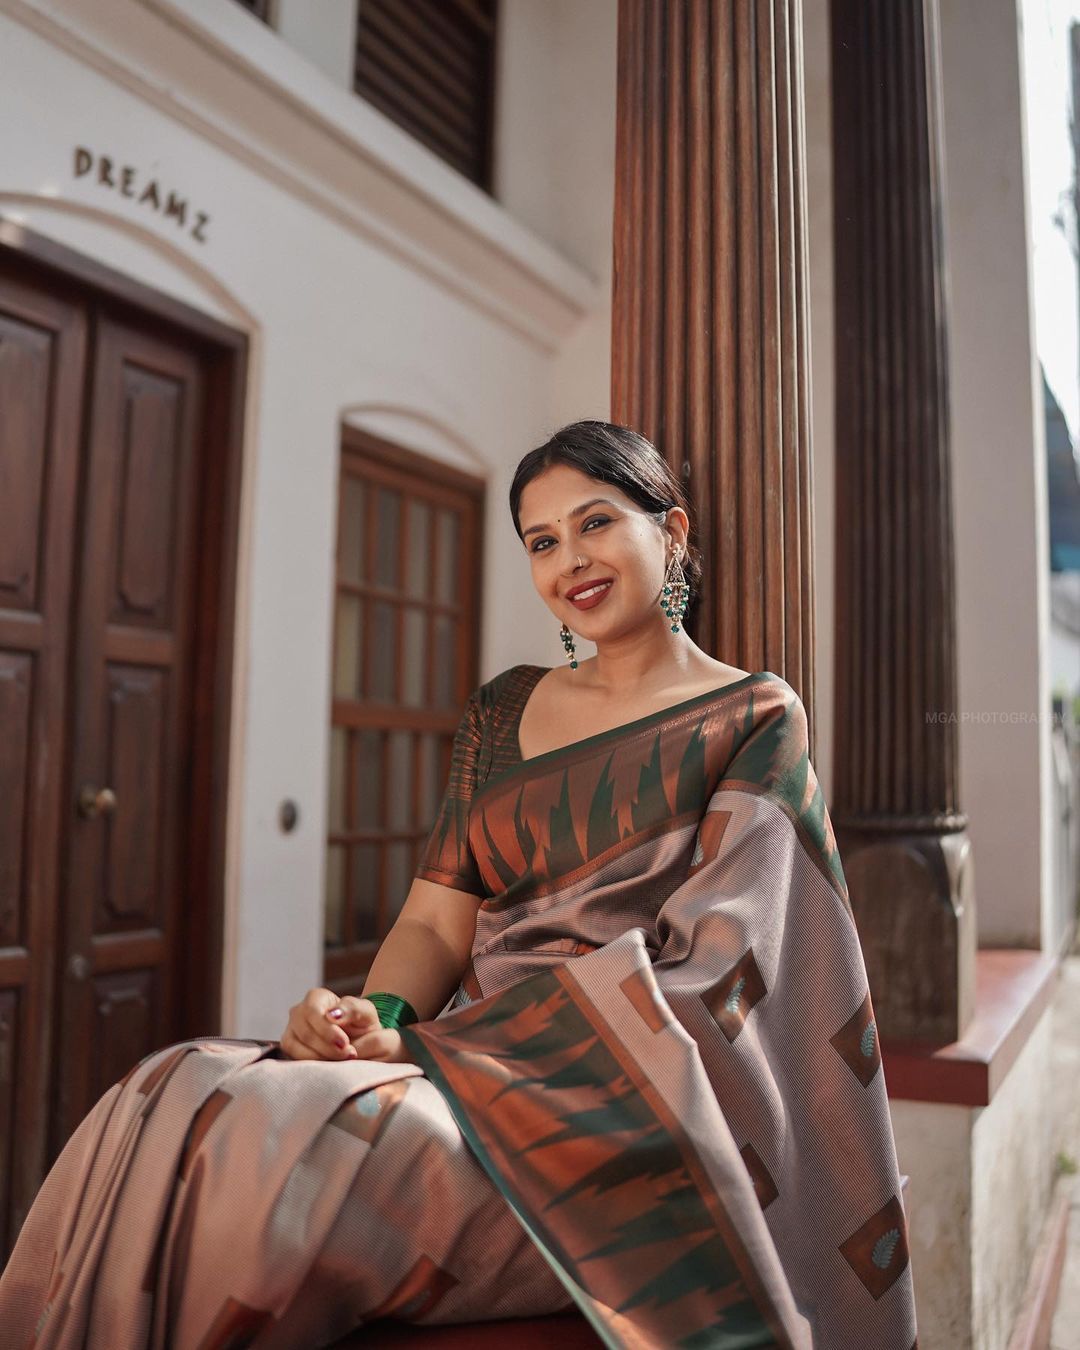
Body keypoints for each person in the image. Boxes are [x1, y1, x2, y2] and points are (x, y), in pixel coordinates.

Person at [0, 420, 917, 1349]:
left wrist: (431, 1050)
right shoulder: (502, 708)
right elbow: (436, 926)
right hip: (455, 1056)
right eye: (542, 542)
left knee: (265, 1138)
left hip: (610, 1106)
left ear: (671, 530)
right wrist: (374, 1019)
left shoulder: (753, 714)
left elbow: (722, 973)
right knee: (175, 1085)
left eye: (596, 522)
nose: (570, 560)